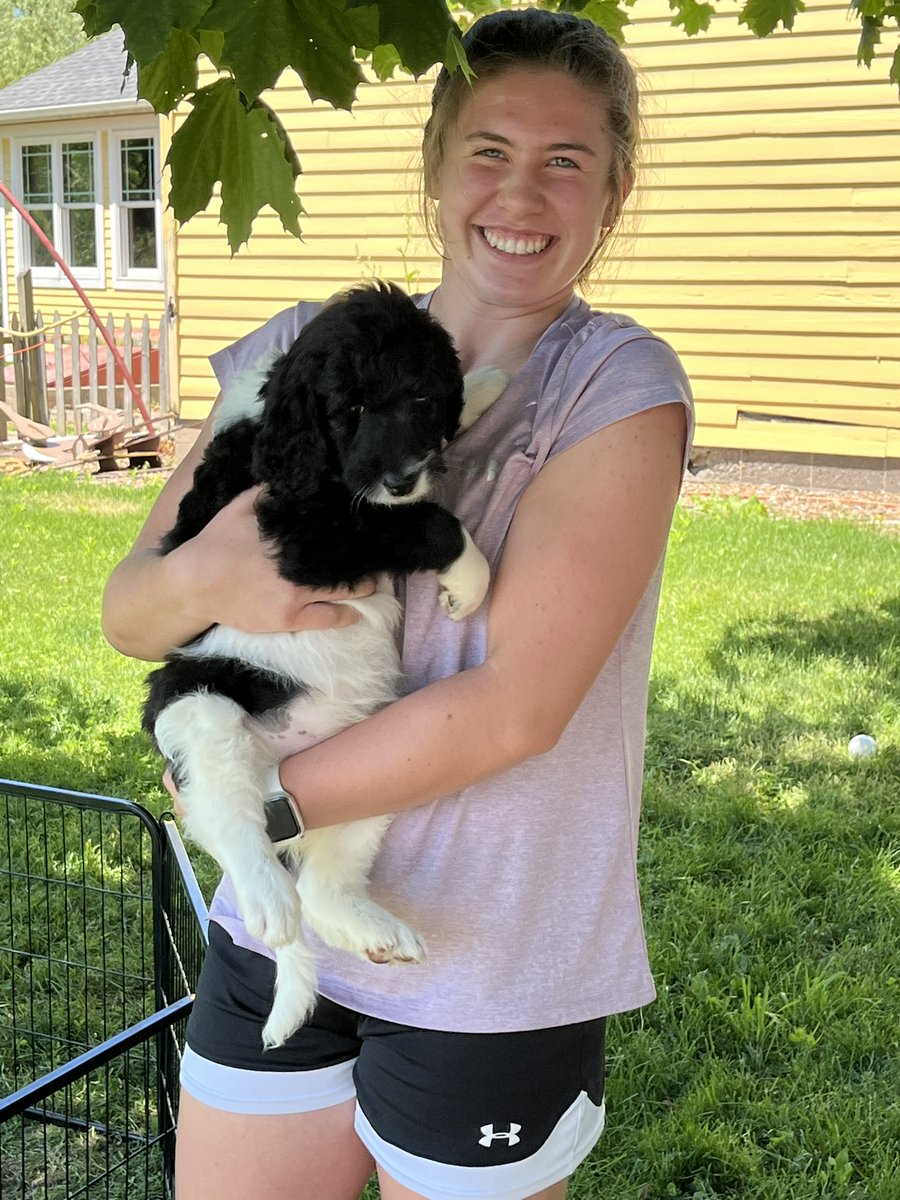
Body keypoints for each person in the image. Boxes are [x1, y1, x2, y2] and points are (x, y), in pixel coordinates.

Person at [102, 9, 693, 1200]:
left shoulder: (615, 390)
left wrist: (249, 814)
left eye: (566, 160)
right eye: (489, 149)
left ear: (612, 194)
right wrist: (208, 579)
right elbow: (132, 612)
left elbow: (515, 710)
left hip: (486, 952)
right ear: (435, 165)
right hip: (270, 935)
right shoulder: (297, 349)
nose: (519, 194)